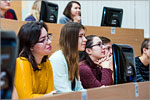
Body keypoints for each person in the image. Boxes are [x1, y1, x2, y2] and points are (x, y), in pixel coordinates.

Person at [14, 22, 56, 99]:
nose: (49, 42)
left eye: (48, 37)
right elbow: (26, 97)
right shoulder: (21, 63)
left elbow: (51, 95)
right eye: (43, 40)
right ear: (31, 46)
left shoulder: (46, 63)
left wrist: (49, 96)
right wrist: (47, 96)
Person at [49, 22, 87, 93]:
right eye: (81, 36)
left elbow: (79, 89)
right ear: (71, 38)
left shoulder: (73, 58)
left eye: (84, 36)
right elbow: (63, 91)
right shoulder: (57, 59)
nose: (85, 39)